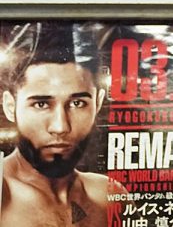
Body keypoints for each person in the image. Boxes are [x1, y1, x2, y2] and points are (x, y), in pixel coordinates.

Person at [0, 21, 125, 227]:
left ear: (98, 102)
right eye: (41, 104)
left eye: (77, 103)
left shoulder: (107, 194)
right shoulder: (3, 193)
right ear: (10, 106)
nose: (60, 126)